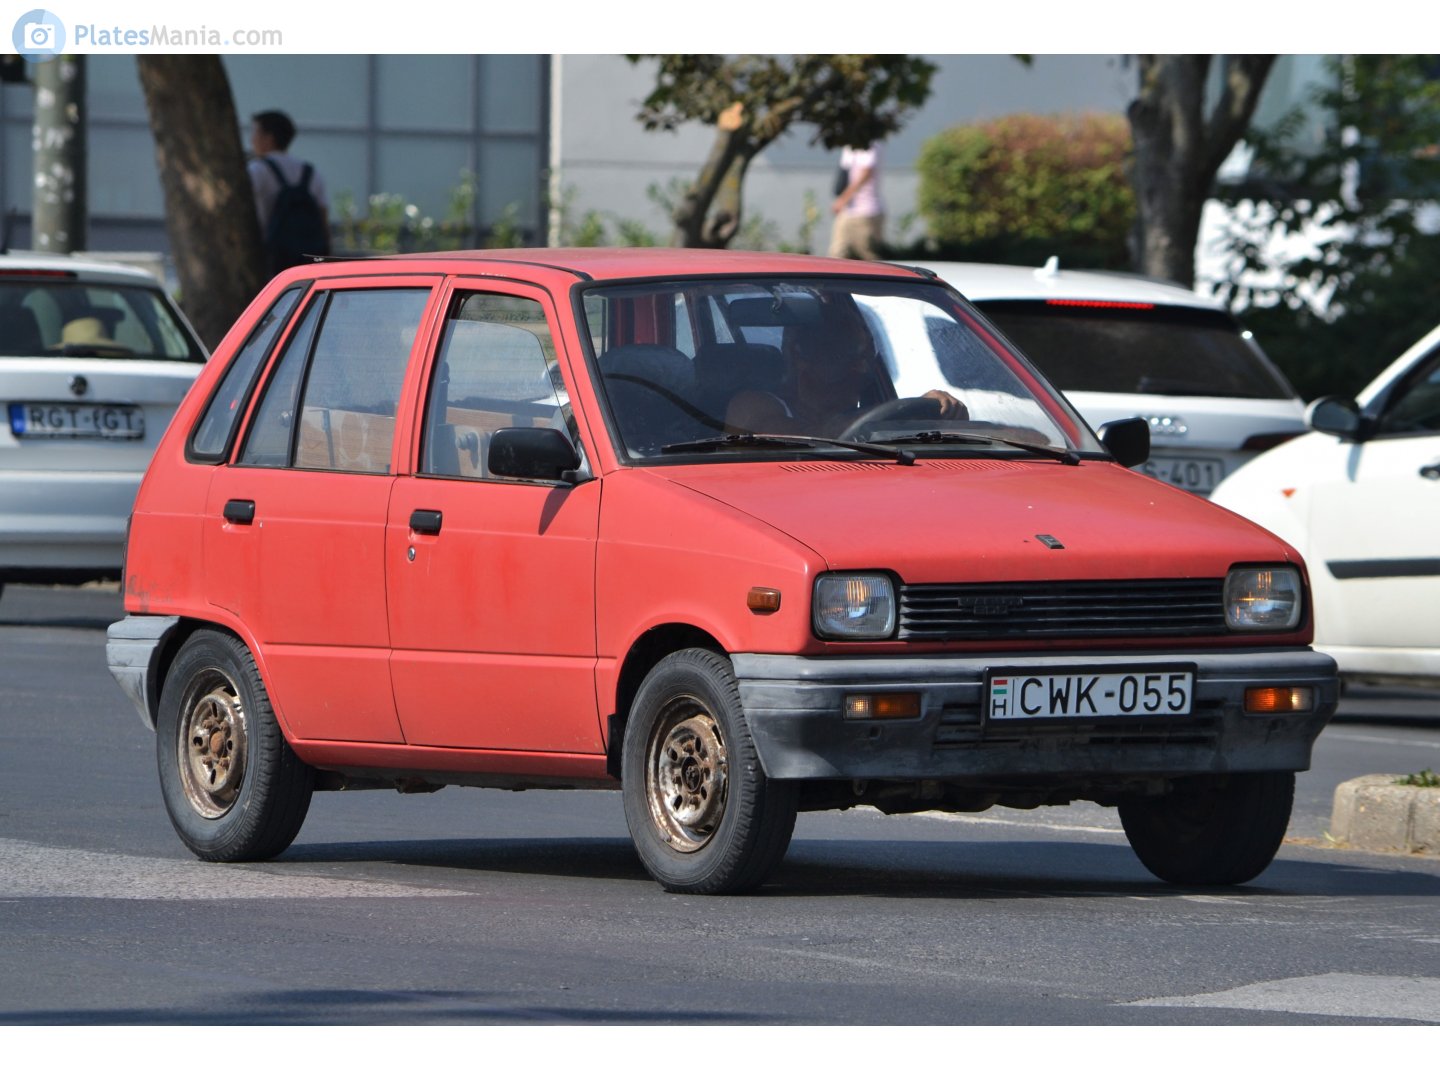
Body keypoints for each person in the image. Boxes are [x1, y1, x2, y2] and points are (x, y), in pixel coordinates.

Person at [725, 310, 964, 439]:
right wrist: (893, 419)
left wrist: (939, 412)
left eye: (867, 356)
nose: (862, 368)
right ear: (802, 357)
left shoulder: (859, 410)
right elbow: (798, 439)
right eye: (846, 354)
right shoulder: (753, 405)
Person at [247, 110, 331, 273]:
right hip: (309, 253)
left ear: (269, 138)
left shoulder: (257, 170)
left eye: (255, 133)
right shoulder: (310, 172)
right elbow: (323, 216)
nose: (252, 140)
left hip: (272, 254)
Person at [829, 144, 885, 260]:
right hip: (848, 211)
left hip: (866, 211)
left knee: (868, 257)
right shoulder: (849, 146)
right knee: (837, 254)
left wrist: (843, 199)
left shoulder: (869, 143)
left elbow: (866, 172)